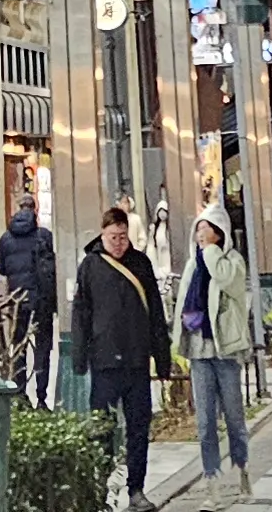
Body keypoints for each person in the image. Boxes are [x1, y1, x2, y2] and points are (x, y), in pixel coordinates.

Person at [72, 202, 173, 501]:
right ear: (102, 234)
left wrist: (162, 357)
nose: (118, 243)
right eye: (113, 237)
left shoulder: (141, 264)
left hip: (137, 360)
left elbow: (155, 311)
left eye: (122, 237)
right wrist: (79, 356)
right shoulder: (89, 266)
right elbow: (81, 314)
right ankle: (99, 489)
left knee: (138, 428)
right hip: (104, 361)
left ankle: (137, 489)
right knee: (102, 429)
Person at [182, 201, 258, 497]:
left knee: (234, 417)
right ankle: (212, 481)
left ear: (219, 232)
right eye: (198, 229)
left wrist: (211, 252)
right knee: (205, 423)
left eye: (207, 229)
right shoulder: (192, 264)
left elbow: (228, 281)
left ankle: (242, 470)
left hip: (225, 350)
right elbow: (184, 306)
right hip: (199, 350)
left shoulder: (232, 262)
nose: (201, 235)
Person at [0, 193, 60, 410]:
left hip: (17, 302)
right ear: (35, 210)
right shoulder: (44, 236)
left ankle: (21, 395)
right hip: (41, 302)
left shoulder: (6, 238)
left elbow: (0, 267)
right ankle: (42, 398)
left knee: (19, 349)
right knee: (42, 350)